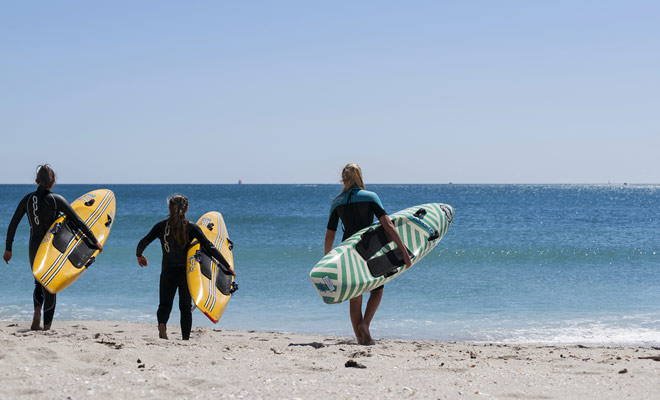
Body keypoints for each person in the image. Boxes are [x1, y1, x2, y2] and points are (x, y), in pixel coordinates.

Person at [3, 164, 103, 331]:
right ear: (53, 181)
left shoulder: (27, 200)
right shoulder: (57, 200)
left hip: (34, 246)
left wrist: (8, 248)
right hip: (51, 248)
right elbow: (78, 222)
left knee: (38, 281)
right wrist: (94, 241)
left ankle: (36, 312)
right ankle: (47, 327)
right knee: (51, 286)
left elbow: (13, 224)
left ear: (36, 181)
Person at [324, 163, 412, 345]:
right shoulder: (371, 197)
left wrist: (328, 262)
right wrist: (403, 250)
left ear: (344, 179)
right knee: (377, 291)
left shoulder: (337, 202)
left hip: (348, 252)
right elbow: (387, 224)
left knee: (355, 298)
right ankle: (365, 324)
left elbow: (330, 234)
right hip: (369, 248)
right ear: (360, 177)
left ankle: (361, 339)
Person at [136, 195, 235, 340]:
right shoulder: (192, 228)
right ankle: (185, 339)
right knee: (185, 308)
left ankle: (162, 325)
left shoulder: (161, 226)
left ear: (169, 208)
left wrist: (139, 255)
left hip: (168, 272)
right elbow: (210, 247)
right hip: (186, 273)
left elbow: (143, 241)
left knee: (164, 304)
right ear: (186, 208)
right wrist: (227, 265)